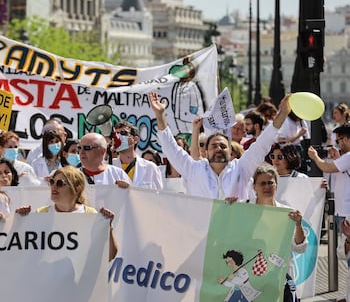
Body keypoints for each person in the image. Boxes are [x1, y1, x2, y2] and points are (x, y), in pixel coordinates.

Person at [149, 91, 292, 201]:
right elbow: (170, 148)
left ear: (231, 151)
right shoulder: (193, 169)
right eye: (214, 146)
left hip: (236, 234)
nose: (218, 149)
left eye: (223, 146)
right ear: (206, 151)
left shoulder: (241, 168)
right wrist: (160, 116)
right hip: (202, 233)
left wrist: (283, 113)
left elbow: (263, 143)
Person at [16, 165, 118, 261]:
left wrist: (108, 227)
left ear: (77, 189)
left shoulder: (90, 214)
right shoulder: (41, 213)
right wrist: (19, 222)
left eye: (59, 183)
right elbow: (24, 252)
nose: (54, 186)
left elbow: (110, 255)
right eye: (52, 182)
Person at [252, 163, 307, 301]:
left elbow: (300, 248)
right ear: (254, 187)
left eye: (270, 183)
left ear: (276, 185)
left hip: (279, 281)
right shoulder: (243, 210)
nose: (267, 187)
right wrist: (228, 206)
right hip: (251, 280)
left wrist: (298, 225)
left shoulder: (287, 213)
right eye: (262, 183)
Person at [308, 123, 350, 234]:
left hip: (346, 212)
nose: (337, 145)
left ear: (345, 139)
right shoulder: (346, 158)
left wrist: (315, 156)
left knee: (345, 247)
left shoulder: (349, 156)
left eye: (338, 141)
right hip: (343, 210)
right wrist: (338, 158)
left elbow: (327, 168)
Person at [112, 120, 163, 190]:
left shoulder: (151, 168)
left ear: (135, 139)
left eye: (123, 133)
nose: (119, 137)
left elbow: (159, 197)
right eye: (116, 134)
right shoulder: (109, 166)